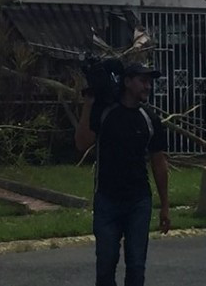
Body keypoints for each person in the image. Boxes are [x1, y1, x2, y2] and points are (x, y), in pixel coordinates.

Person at [75, 62, 170, 286]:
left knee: (136, 266)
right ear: (127, 82)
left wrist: (165, 205)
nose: (147, 86)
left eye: (149, 82)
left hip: (139, 201)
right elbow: (82, 143)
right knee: (106, 265)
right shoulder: (106, 111)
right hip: (107, 200)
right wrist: (88, 104)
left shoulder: (150, 119)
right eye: (143, 81)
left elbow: (159, 163)